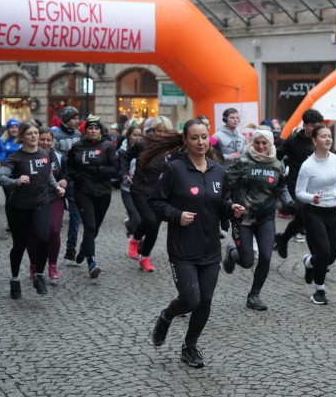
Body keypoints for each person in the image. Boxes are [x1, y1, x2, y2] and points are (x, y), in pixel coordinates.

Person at [149, 119, 245, 368]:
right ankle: (167, 315)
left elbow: (221, 202)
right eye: (194, 137)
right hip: (182, 248)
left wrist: (230, 208)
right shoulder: (175, 170)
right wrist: (176, 215)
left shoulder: (217, 170)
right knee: (190, 298)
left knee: (205, 301)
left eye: (204, 137)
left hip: (209, 247)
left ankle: (189, 347)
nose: (200, 142)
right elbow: (156, 202)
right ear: (185, 140)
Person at [222, 128, 295, 310]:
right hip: (243, 218)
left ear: (270, 144)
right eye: (257, 142)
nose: (261, 146)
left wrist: (290, 202)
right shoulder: (243, 161)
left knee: (266, 255)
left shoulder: (276, 165)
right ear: (252, 143)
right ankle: (232, 252)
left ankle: (254, 296)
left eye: (265, 143)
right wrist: (228, 205)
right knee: (247, 261)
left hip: (265, 217)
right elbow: (225, 184)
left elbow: (281, 188)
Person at [0, 120, 64, 298]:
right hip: (18, 207)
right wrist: (16, 181)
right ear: (22, 137)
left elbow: (48, 174)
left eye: (35, 133)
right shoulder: (15, 158)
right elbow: (0, 177)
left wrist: (56, 186)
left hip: (41, 204)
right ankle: (15, 279)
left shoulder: (44, 154)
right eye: (29, 134)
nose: (34, 136)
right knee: (19, 245)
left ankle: (40, 275)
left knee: (43, 237)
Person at [294, 124, 336, 305]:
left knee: (332, 256)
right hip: (313, 212)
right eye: (323, 136)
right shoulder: (307, 166)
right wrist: (312, 197)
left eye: (329, 136)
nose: (328, 139)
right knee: (323, 251)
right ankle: (319, 291)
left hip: (332, 211)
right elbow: (299, 193)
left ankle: (309, 262)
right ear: (314, 140)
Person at [66, 116, 118, 279]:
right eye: (90, 128)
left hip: (103, 192)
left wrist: (98, 170)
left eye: (96, 128)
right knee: (89, 225)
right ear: (85, 131)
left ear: (100, 131)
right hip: (83, 191)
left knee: (94, 228)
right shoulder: (76, 147)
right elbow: (69, 168)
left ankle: (83, 249)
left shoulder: (108, 146)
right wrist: (77, 176)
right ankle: (92, 262)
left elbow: (115, 169)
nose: (93, 131)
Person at [125, 115, 177, 271]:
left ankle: (144, 258)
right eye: (158, 131)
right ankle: (134, 239)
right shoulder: (142, 144)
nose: (161, 135)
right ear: (153, 130)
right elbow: (125, 156)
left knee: (155, 227)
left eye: (164, 132)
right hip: (140, 188)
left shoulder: (174, 148)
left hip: (161, 192)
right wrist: (124, 173)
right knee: (149, 219)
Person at [275, 108, 322, 259]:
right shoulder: (293, 141)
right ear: (305, 125)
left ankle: (283, 239)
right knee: (306, 219)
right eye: (312, 125)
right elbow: (276, 157)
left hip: (314, 188)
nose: (315, 128)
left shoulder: (321, 140)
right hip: (295, 187)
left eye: (318, 125)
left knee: (304, 220)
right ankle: (316, 257)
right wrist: (279, 174)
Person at [35, 127, 67, 282]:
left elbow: (67, 174)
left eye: (48, 140)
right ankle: (34, 264)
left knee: (54, 231)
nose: (45, 143)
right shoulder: (29, 156)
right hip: (34, 199)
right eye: (43, 139)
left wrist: (64, 181)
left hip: (55, 197)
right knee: (35, 234)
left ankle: (52, 266)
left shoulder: (59, 157)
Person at [53, 106, 83, 262]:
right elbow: (53, 159)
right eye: (74, 118)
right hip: (58, 180)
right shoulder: (56, 137)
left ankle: (71, 248)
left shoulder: (78, 135)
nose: (77, 121)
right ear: (66, 120)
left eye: (78, 118)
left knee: (75, 215)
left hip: (73, 180)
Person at [118, 123, 144, 254]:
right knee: (136, 217)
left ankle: (130, 227)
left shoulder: (144, 149)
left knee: (144, 218)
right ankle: (137, 243)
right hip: (127, 189)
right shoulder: (121, 151)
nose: (138, 138)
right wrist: (124, 176)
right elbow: (117, 168)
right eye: (135, 135)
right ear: (128, 136)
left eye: (140, 135)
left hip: (141, 190)